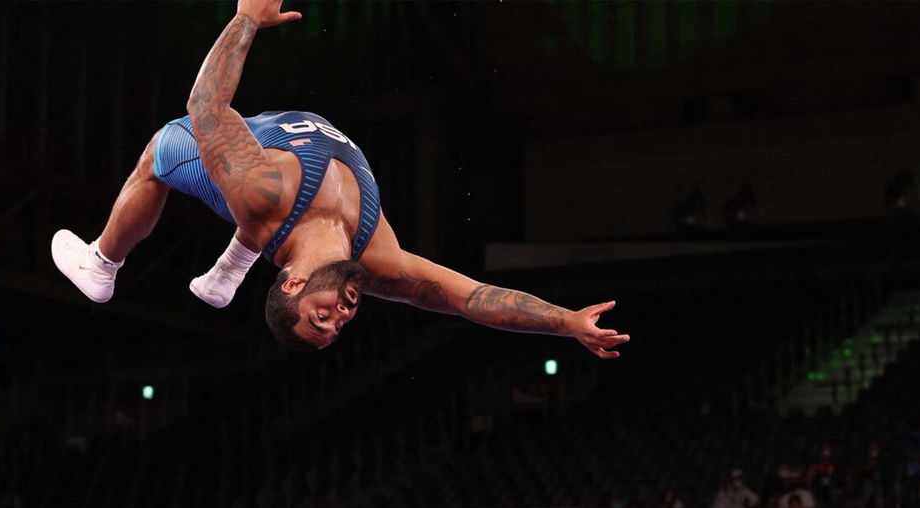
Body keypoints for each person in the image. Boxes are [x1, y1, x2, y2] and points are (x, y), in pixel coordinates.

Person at [51, 0, 629, 357]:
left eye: (321, 317)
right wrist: (565, 322)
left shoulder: (262, 195)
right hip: (293, 148)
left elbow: (207, 105)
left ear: (295, 288)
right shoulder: (378, 261)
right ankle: (229, 269)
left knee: (160, 152)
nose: (344, 314)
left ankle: (102, 263)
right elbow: (472, 300)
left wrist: (246, 19)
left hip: (268, 158)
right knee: (236, 186)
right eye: (338, 327)